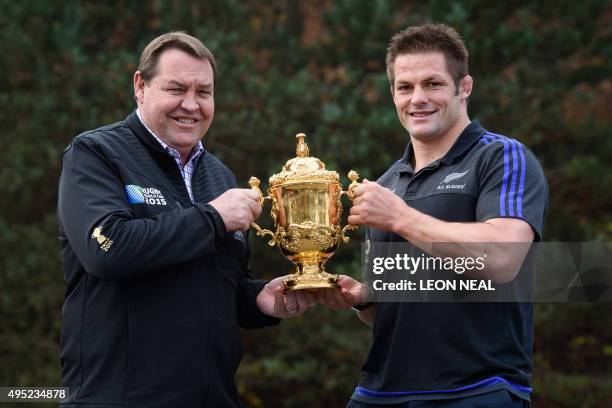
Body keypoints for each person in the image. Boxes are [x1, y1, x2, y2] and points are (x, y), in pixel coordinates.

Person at [57, 31, 315, 407]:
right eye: (177, 89)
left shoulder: (219, 176)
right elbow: (107, 250)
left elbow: (217, 283)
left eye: (204, 92)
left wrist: (259, 298)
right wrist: (212, 218)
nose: (191, 105)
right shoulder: (95, 154)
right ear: (140, 86)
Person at [318, 23, 548, 407]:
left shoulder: (502, 157)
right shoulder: (389, 182)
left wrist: (401, 218)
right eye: (405, 87)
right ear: (392, 94)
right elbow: (386, 310)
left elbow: (504, 257)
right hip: (379, 392)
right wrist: (363, 298)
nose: (418, 98)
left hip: (475, 389)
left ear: (465, 87)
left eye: (433, 84)